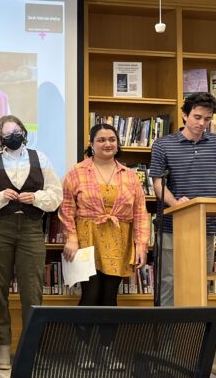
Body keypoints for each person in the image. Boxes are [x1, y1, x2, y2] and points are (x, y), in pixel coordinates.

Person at [0, 114, 62, 369]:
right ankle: (3, 346)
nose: (12, 136)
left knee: (32, 290)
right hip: (0, 229)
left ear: (24, 133)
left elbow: (56, 195)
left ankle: (30, 347)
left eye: (16, 131)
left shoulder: (41, 159)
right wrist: (2, 196)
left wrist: (35, 198)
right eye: (6, 133)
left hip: (31, 229)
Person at [150, 92, 216, 306]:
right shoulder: (162, 145)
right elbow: (158, 184)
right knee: (169, 281)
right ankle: (168, 338)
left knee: (201, 280)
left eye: (207, 119)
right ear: (185, 115)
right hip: (172, 225)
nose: (202, 123)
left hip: (206, 224)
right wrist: (176, 204)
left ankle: (196, 336)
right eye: (197, 117)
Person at [59, 123, 149, 309]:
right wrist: (71, 238)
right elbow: (67, 209)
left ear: (117, 143)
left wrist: (141, 245)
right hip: (87, 239)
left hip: (118, 240)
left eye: (112, 139)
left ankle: (107, 339)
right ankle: (81, 339)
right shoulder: (77, 172)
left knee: (109, 298)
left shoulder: (130, 176)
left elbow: (140, 212)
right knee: (90, 295)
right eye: (101, 140)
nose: (107, 144)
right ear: (92, 144)